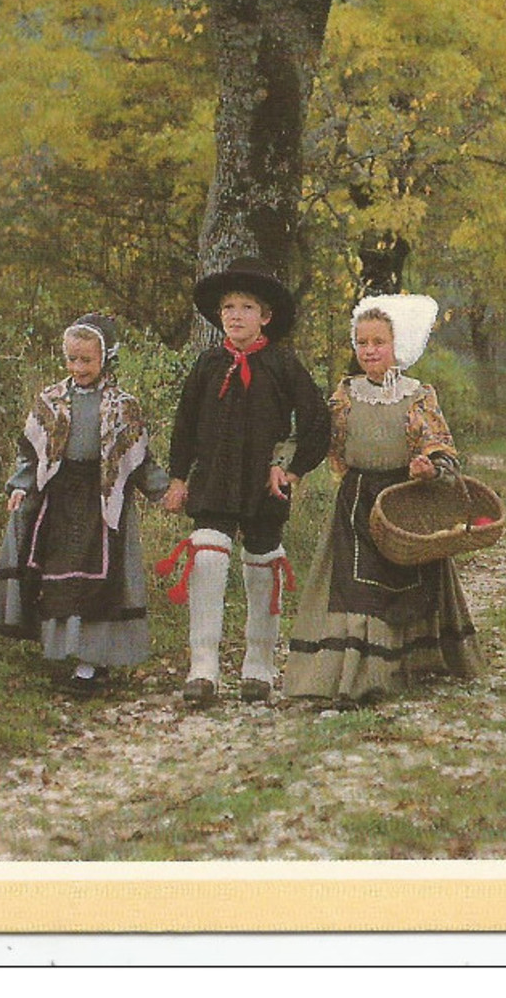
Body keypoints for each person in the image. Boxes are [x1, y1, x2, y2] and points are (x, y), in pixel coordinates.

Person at [284, 295, 486, 705]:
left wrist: (429, 468)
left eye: (378, 342)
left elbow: (440, 446)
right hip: (357, 501)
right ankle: (358, 679)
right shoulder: (345, 395)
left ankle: (413, 665)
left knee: (411, 586)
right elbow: (321, 440)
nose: (370, 350)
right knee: (357, 589)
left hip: (407, 501)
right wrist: (287, 466)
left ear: (398, 346)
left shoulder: (417, 395)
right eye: (362, 343)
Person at [157, 257, 330, 706]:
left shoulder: (283, 365)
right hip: (213, 480)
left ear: (266, 316)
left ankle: (259, 666)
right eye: (228, 306)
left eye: (247, 307)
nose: (235, 315)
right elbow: (185, 424)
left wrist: (290, 468)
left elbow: (316, 421)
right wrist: (178, 477)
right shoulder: (208, 363)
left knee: (263, 563)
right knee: (209, 559)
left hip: (263, 484)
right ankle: (203, 669)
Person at [0, 313, 170, 696]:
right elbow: (30, 452)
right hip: (58, 499)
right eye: (72, 359)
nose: (78, 367)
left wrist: (164, 491)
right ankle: (62, 650)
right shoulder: (52, 400)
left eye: (86, 360)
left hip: (101, 500)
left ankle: (93, 663)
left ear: (105, 358)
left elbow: (139, 458)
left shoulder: (122, 406)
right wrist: (20, 486)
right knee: (60, 575)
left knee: (99, 580)